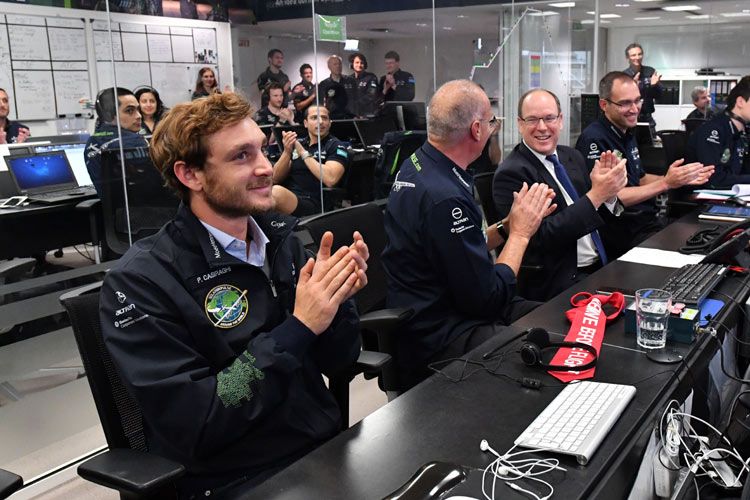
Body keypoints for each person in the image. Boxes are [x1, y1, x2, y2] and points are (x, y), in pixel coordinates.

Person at [99, 92, 368, 498]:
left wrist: (339, 300)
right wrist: (299, 327)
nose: (265, 168)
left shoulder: (282, 240)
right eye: (241, 156)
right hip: (235, 478)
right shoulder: (143, 281)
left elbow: (340, 360)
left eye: (263, 149)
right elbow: (201, 419)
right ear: (191, 175)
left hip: (319, 449)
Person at [382, 79, 555, 390]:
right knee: (548, 359)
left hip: (442, 304)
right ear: (476, 130)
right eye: (491, 122)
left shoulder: (420, 165)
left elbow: (458, 246)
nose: (492, 128)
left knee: (554, 316)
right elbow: (486, 300)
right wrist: (521, 235)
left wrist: (506, 226)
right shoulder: (444, 196)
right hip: (440, 332)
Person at [493, 89, 627, 301]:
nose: (542, 127)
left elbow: (596, 218)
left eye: (549, 118)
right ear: (520, 124)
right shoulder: (513, 173)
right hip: (559, 282)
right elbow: (542, 238)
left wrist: (609, 195)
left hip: (601, 266)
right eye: (532, 120)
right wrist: (596, 195)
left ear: (561, 120)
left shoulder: (571, 156)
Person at [575, 72, 713, 258]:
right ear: (604, 105)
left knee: (705, 243)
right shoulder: (595, 139)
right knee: (689, 256)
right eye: (625, 103)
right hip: (623, 231)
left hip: (646, 222)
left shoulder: (626, 131)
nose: (634, 109)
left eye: (637, 101)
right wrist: (666, 184)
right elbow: (613, 197)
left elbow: (639, 178)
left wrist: (680, 178)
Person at [272, 105, 349, 216]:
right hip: (290, 195)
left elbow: (330, 179)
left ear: (330, 123)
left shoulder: (336, 146)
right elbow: (275, 178)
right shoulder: (300, 143)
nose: (321, 122)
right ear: (305, 123)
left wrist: (303, 153)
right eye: (314, 118)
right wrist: (287, 151)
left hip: (313, 202)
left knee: (275, 193)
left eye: (324, 118)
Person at [686, 76, 750, 188]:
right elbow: (715, 178)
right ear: (740, 102)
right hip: (703, 199)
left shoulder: (741, 132)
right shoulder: (713, 130)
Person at [84, 87, 148, 195]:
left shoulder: (92, 141)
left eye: (138, 110)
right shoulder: (135, 141)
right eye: (129, 111)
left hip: (118, 210)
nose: (139, 116)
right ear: (109, 115)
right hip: (147, 208)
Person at [623, 43, 662, 135]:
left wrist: (654, 85)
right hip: (630, 117)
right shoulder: (624, 76)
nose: (637, 57)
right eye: (633, 55)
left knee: (650, 148)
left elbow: (659, 95)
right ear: (628, 57)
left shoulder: (650, 71)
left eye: (639, 54)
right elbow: (623, 98)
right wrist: (634, 87)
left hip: (647, 117)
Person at [343, 52, 380, 118]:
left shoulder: (371, 77)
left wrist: (356, 104)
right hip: (352, 115)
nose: (359, 65)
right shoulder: (348, 79)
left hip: (367, 114)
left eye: (362, 63)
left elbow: (371, 95)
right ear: (352, 64)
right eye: (357, 62)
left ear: (365, 65)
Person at [318, 55, 350, 119]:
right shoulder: (324, 84)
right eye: (335, 64)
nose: (338, 66)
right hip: (332, 118)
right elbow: (321, 103)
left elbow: (355, 100)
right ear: (329, 66)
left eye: (339, 64)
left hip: (348, 117)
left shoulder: (350, 81)